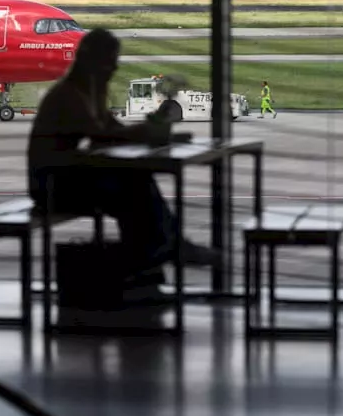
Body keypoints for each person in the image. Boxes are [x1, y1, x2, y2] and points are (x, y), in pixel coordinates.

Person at [26, 28, 221, 281]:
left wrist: (156, 133)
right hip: (50, 186)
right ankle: (157, 254)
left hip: (66, 179)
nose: (115, 67)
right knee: (132, 188)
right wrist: (149, 132)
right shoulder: (68, 96)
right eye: (110, 60)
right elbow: (102, 135)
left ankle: (154, 256)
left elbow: (113, 130)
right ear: (93, 61)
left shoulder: (89, 92)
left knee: (134, 184)